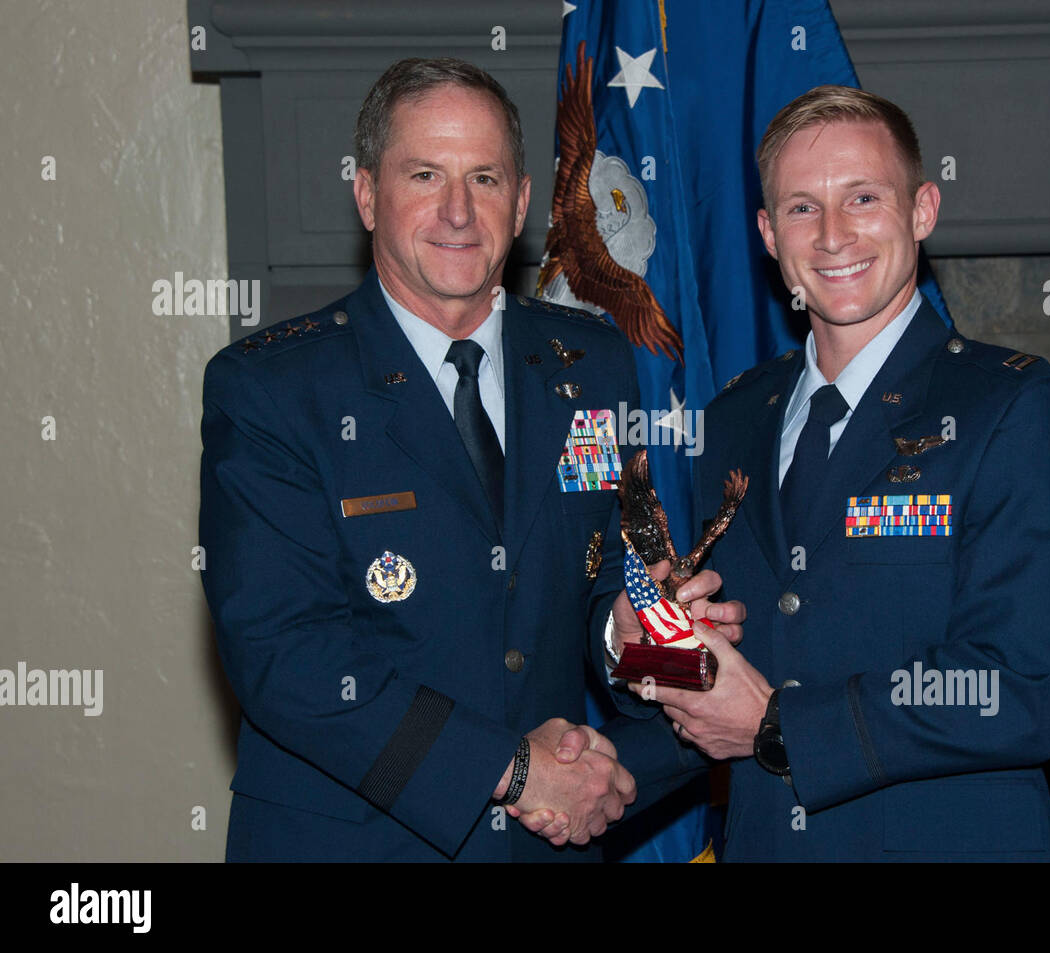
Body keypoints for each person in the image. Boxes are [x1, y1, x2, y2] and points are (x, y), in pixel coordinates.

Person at [198, 57, 736, 862]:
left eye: (484, 178)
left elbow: (592, 587)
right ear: (368, 193)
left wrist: (635, 635)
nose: (457, 211)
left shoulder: (589, 366)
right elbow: (288, 659)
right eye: (425, 174)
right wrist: (512, 770)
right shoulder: (272, 389)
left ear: (520, 203)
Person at [613, 85, 1050, 860]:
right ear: (769, 235)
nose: (834, 234)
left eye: (864, 197)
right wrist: (648, 651)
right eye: (803, 208)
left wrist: (780, 724)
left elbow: (1021, 691)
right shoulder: (735, 417)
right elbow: (733, 678)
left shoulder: (1012, 408)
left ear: (922, 210)